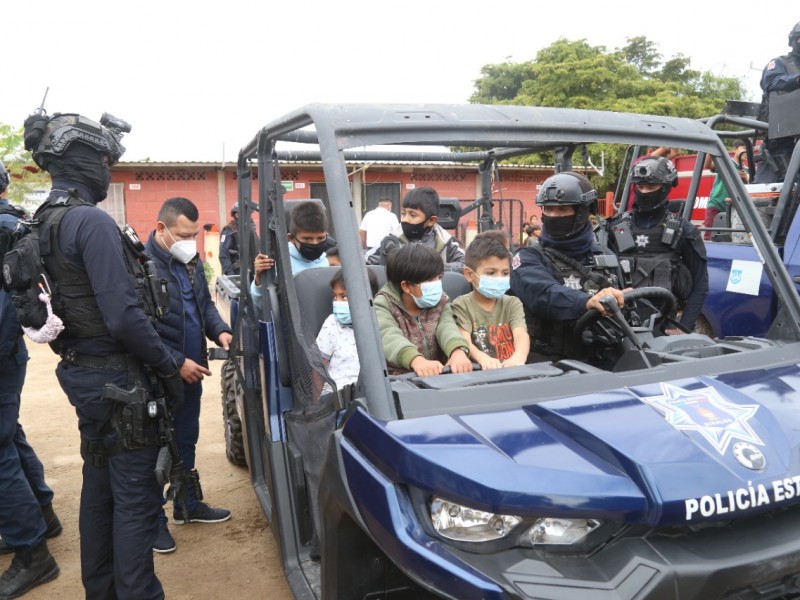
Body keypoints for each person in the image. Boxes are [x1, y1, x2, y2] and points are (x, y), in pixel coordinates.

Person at [21, 110, 184, 599]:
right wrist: (168, 364)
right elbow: (124, 317)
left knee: (100, 490)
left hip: (84, 376)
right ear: (86, 159)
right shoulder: (89, 220)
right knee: (134, 497)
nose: (108, 172)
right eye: (105, 161)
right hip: (120, 380)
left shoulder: (43, 221)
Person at [144, 197, 233, 553]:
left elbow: (204, 305)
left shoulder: (191, 262)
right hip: (160, 376)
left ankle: (187, 505)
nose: (189, 241)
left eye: (194, 234)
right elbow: (141, 328)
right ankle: (154, 523)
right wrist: (176, 361)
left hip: (191, 375)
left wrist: (220, 330)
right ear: (161, 228)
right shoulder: (142, 266)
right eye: (183, 234)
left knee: (185, 440)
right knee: (154, 451)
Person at [0, 162, 61, 598]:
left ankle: (32, 551)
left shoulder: (6, 229)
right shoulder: (16, 220)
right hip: (8, 351)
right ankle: (42, 512)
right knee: (8, 435)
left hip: (1, 351)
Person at [510, 172, 625, 363]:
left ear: (582, 212)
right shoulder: (527, 257)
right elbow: (543, 295)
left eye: (563, 209)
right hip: (548, 362)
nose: (554, 216)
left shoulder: (605, 255)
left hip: (602, 356)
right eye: (549, 209)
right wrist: (587, 301)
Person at [604, 157, 708, 334]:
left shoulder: (684, 230)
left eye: (652, 187)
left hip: (661, 323)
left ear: (666, 188)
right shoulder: (616, 227)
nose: (645, 192)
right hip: (617, 323)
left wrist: (684, 326)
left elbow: (700, 284)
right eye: (640, 187)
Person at [374, 243, 471, 377]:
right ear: (406, 286)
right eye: (430, 279)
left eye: (439, 277)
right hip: (399, 382)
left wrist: (457, 351)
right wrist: (416, 360)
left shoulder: (441, 300)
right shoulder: (383, 304)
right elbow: (388, 336)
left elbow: (447, 326)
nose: (438, 284)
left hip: (439, 377)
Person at [451, 236, 529, 369]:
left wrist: (518, 358)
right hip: (479, 374)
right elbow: (463, 340)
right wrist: (482, 358)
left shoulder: (512, 303)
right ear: (469, 274)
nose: (499, 278)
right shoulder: (462, 305)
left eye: (505, 273)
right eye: (491, 273)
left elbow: (521, 334)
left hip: (512, 370)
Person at [250, 200, 330, 309]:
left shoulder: (329, 261)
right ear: (291, 238)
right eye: (307, 239)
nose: (315, 243)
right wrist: (259, 277)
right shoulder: (278, 261)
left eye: (320, 238)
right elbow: (261, 305)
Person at [366, 187, 465, 271]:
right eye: (403, 213)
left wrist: (434, 269)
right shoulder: (391, 242)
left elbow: (468, 264)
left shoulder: (445, 243)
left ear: (431, 220)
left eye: (413, 215)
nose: (405, 219)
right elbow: (364, 262)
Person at [315, 267, 380, 394]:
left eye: (344, 297)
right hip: (338, 395)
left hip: (373, 395)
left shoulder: (379, 322)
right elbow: (319, 367)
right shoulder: (332, 323)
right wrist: (315, 406)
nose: (337, 302)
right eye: (335, 297)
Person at [758, 21, 800, 182]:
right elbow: (771, 81)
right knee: (768, 194)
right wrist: (796, 80)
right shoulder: (779, 63)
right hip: (781, 141)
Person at [702, 140, 749, 240]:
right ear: (734, 149)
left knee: (729, 238)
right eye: (744, 148)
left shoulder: (748, 171)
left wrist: (746, 179)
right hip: (717, 204)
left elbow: (749, 191)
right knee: (710, 237)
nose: (746, 152)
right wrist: (711, 148)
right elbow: (708, 165)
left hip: (734, 210)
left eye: (748, 149)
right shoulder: (725, 162)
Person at [218, 206, 240, 275]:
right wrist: (230, 275)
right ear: (237, 215)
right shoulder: (228, 230)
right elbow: (223, 253)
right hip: (236, 272)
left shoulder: (247, 230)